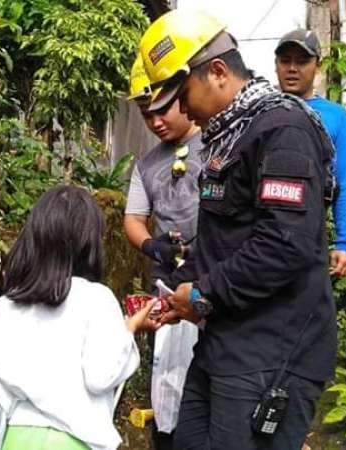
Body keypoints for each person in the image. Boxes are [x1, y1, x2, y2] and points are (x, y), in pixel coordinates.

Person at [137, 10, 338, 450]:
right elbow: (222, 243)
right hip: (224, 342)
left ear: (218, 72)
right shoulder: (227, 137)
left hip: (271, 351)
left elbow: (284, 245)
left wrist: (205, 295)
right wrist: (175, 292)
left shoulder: (282, 129)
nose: (180, 107)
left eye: (181, 92)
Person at [0, 185, 158, 450]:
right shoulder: (97, 298)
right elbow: (101, 375)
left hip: (15, 439)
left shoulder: (5, 306)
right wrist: (129, 327)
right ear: (91, 243)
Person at [123, 56, 203, 450]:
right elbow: (134, 219)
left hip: (212, 283)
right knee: (166, 372)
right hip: (166, 284)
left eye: (161, 109)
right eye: (145, 113)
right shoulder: (147, 164)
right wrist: (151, 244)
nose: (155, 121)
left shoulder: (216, 144)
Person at [274, 29, 346, 278]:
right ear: (276, 64)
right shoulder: (262, 112)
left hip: (310, 235)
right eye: (285, 61)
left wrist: (345, 244)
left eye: (302, 61)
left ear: (317, 66)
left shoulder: (336, 117)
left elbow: (345, 182)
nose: (292, 68)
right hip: (262, 235)